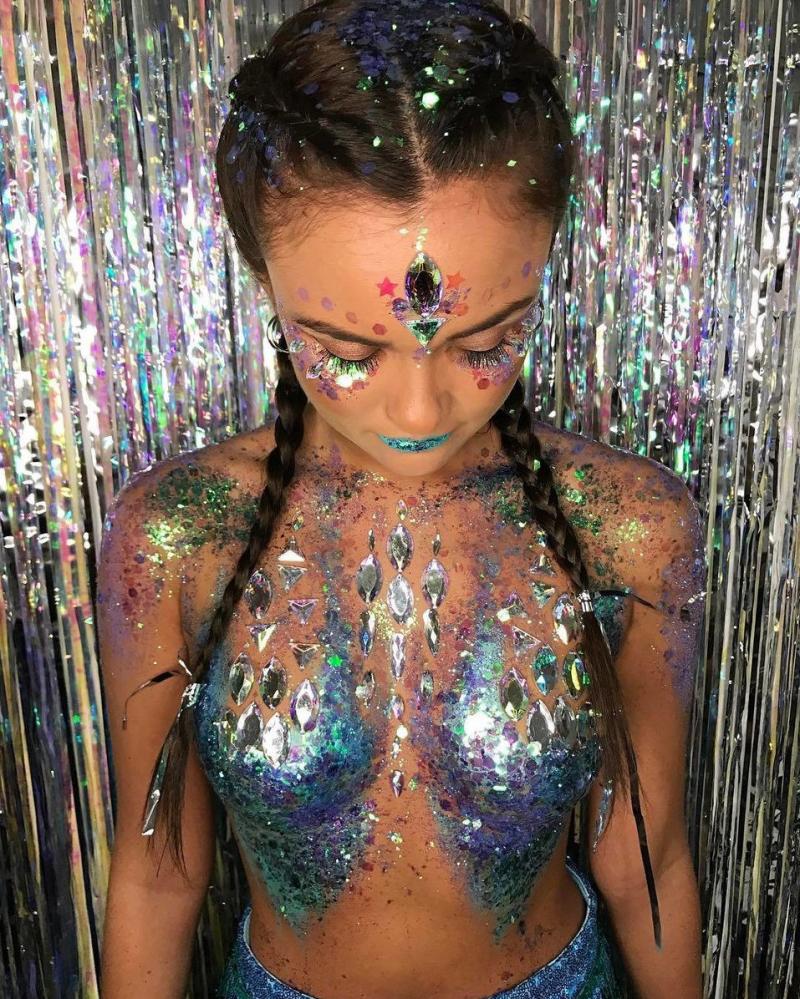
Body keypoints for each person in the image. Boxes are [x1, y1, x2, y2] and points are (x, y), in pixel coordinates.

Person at [97, 2, 707, 997]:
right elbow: (157, 876)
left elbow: (648, 856)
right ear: (263, 280)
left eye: (487, 341)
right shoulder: (178, 534)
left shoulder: (628, 525)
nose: (419, 409)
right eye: (346, 349)